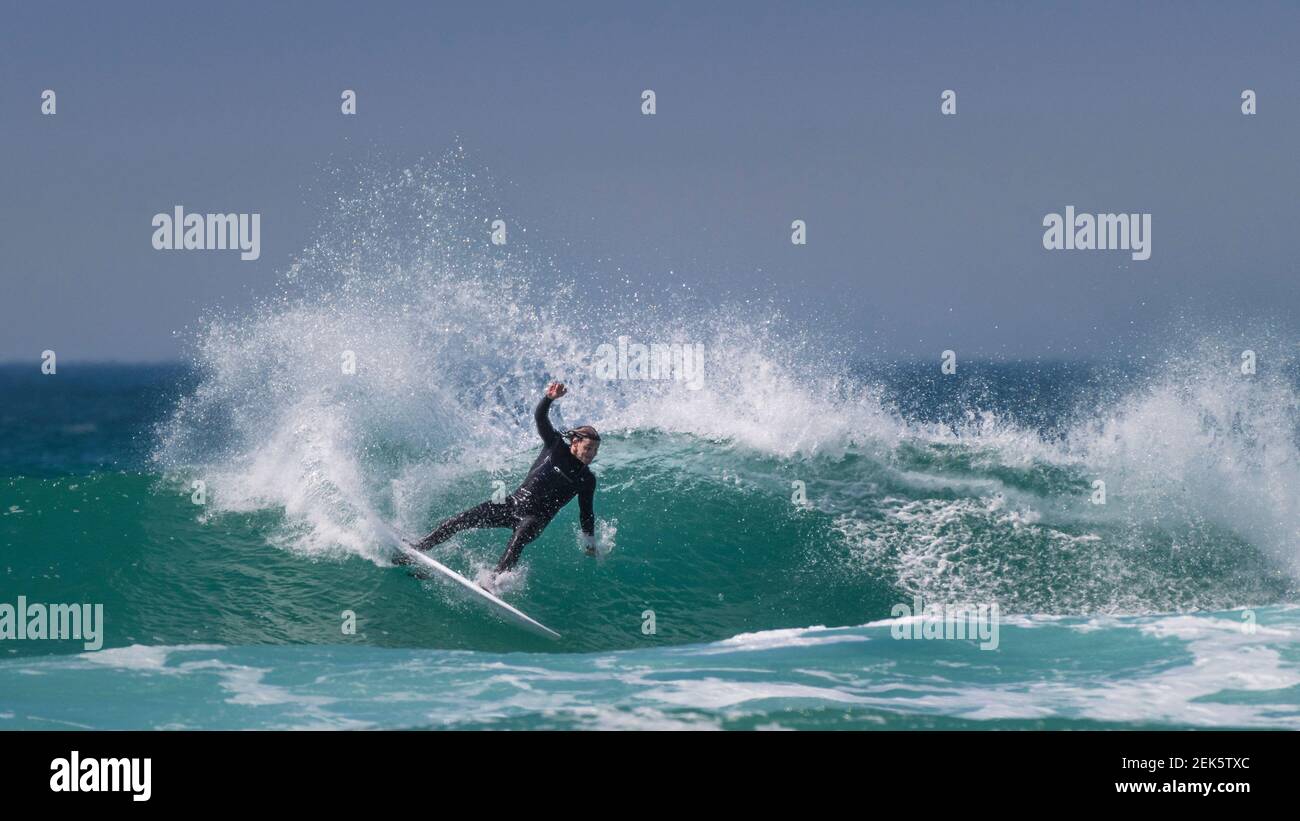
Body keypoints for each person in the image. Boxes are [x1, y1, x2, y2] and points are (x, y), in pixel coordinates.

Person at [409, 381, 599, 575]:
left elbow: (586, 513)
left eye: (595, 450)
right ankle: (419, 547)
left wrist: (590, 542)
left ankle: (493, 581)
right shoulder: (555, 445)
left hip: (536, 519)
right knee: (459, 520)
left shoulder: (587, 480)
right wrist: (549, 398)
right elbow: (540, 418)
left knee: (518, 540)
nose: (591, 454)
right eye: (588, 448)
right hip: (513, 504)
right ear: (575, 442)